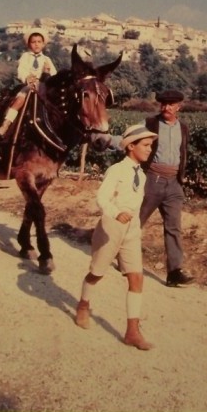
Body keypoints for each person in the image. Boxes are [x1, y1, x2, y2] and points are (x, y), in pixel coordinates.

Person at [74, 123, 158, 350]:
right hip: (111, 228)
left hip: (131, 229)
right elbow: (102, 198)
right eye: (146, 145)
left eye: (151, 145)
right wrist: (115, 213)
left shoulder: (141, 174)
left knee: (136, 278)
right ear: (131, 147)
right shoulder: (117, 171)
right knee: (96, 273)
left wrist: (134, 224)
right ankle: (83, 305)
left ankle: (132, 331)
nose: (150, 149)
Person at [139, 89, 195, 287]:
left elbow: (183, 153)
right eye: (163, 104)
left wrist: (180, 180)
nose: (166, 108)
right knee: (136, 221)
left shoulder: (183, 128)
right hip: (152, 180)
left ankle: (174, 272)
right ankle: (122, 257)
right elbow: (130, 139)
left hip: (174, 184)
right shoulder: (149, 124)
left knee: (173, 228)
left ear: (179, 106)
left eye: (171, 104)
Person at [0, 29, 57, 137]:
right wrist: (27, 77)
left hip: (43, 88)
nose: (36, 44)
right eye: (33, 42)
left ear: (43, 44)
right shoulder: (25, 57)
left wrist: (47, 74)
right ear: (29, 44)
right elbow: (21, 70)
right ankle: (6, 124)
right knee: (20, 99)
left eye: (39, 42)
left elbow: (54, 75)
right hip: (30, 86)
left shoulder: (47, 59)